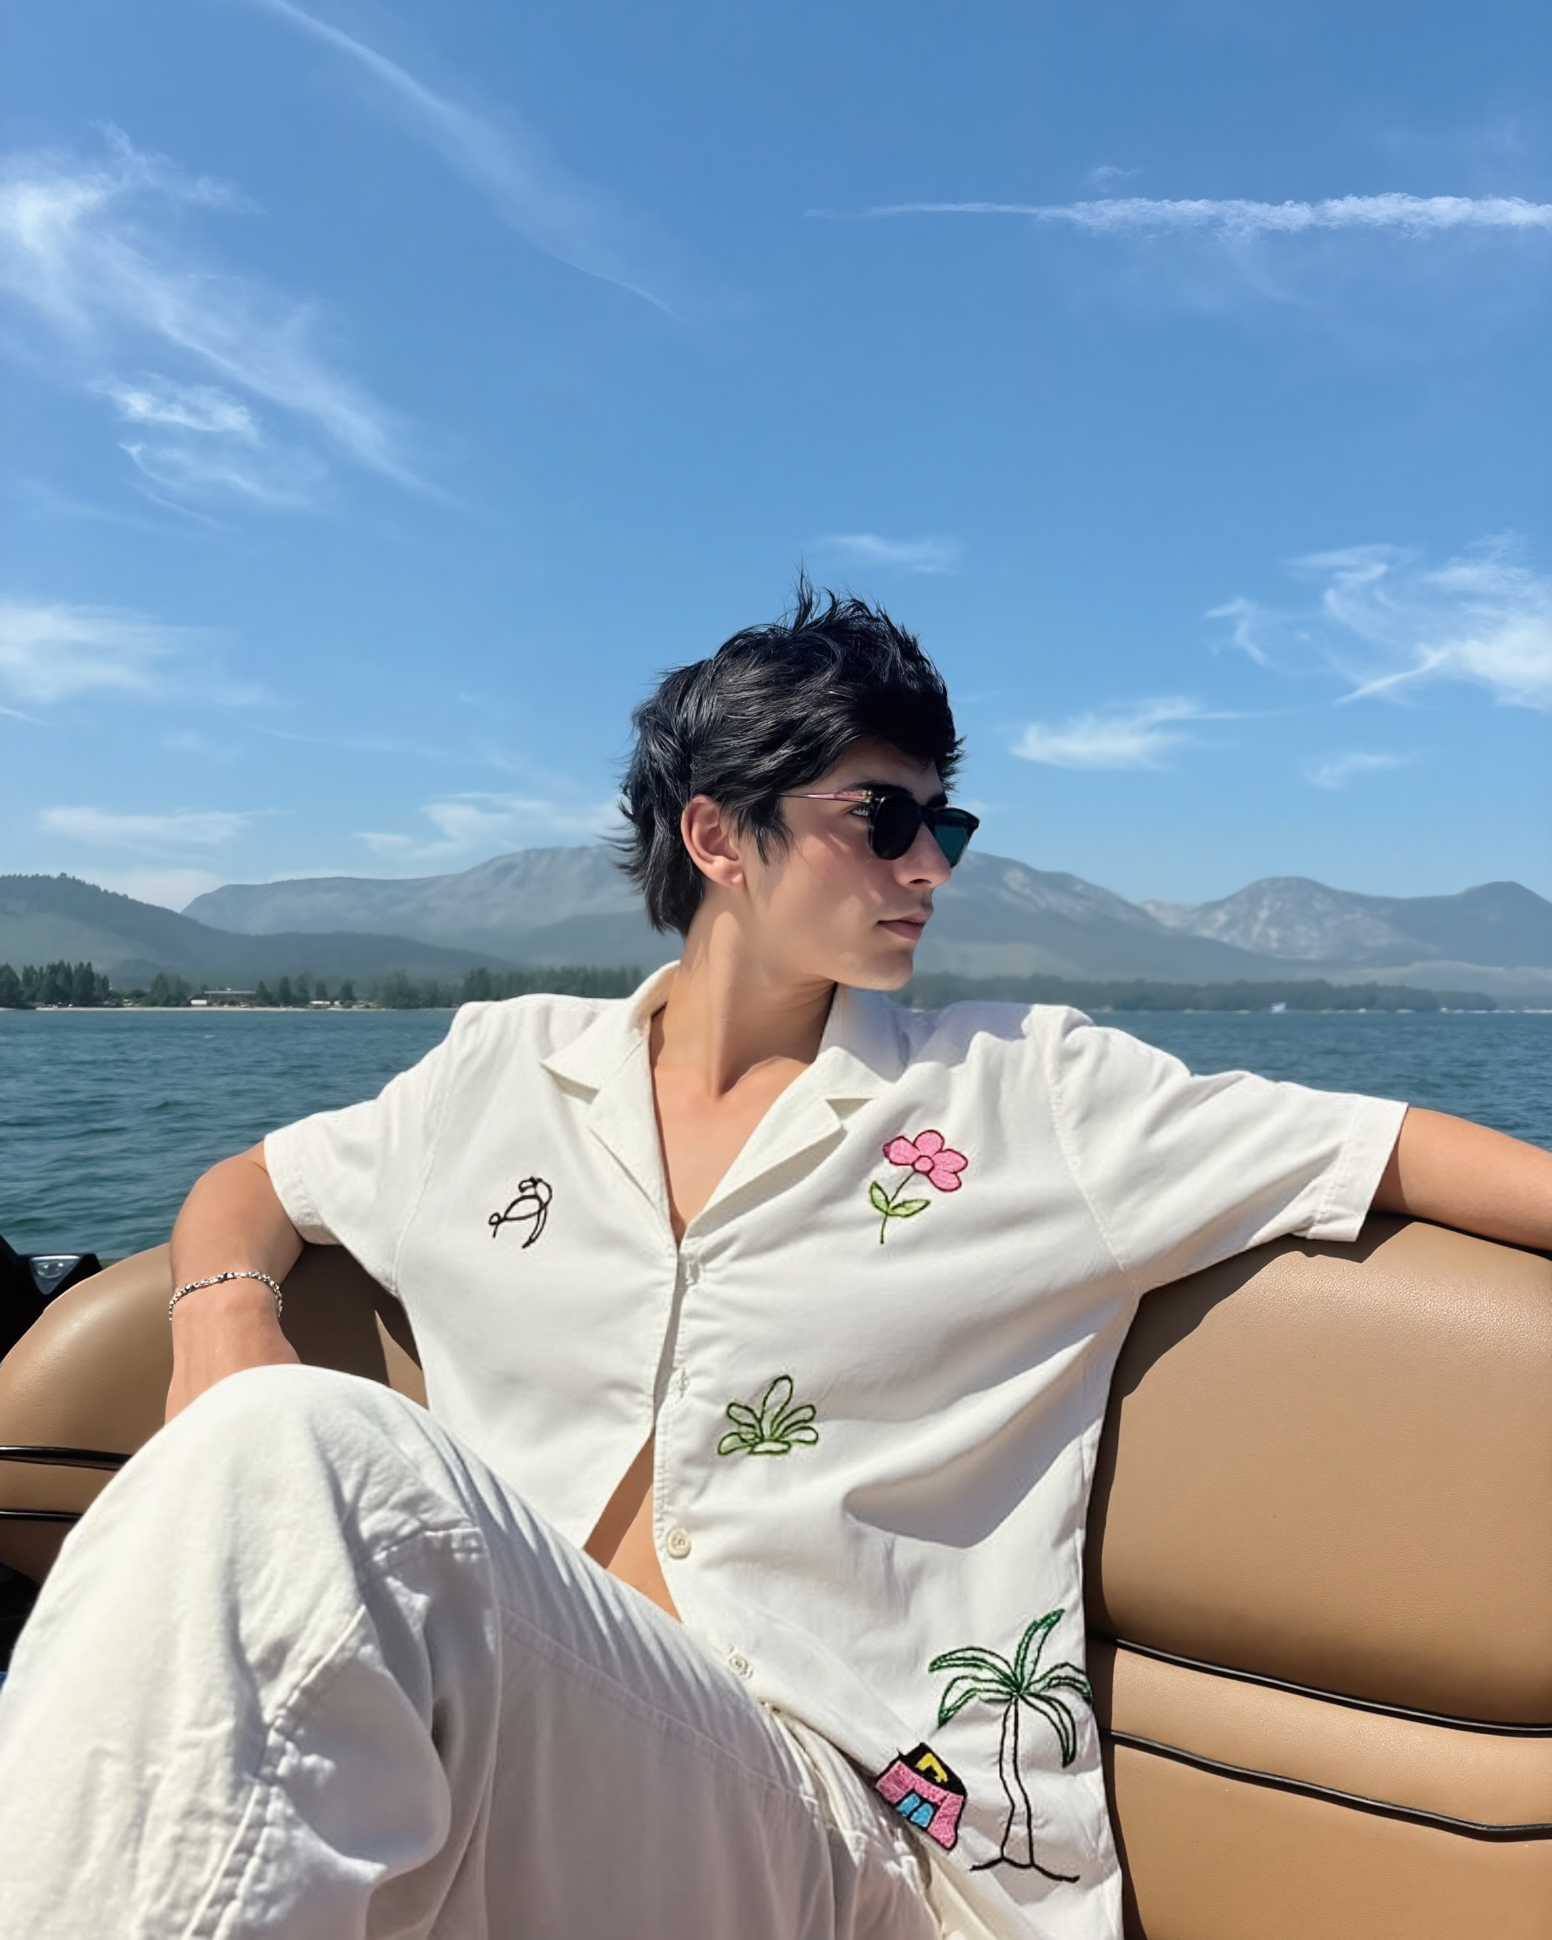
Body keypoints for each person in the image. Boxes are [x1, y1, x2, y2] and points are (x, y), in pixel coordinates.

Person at [1, 583, 1548, 1940]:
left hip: (855, 1837)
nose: (932, 863)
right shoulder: (495, 1080)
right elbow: (253, 1182)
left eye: (948, 824)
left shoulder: (1028, 1098)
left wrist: (261, 1423)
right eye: (884, 816)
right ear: (716, 836)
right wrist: (221, 1322)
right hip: (522, 1786)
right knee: (268, 1474)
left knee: (305, 1465)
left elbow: (1390, 1145)